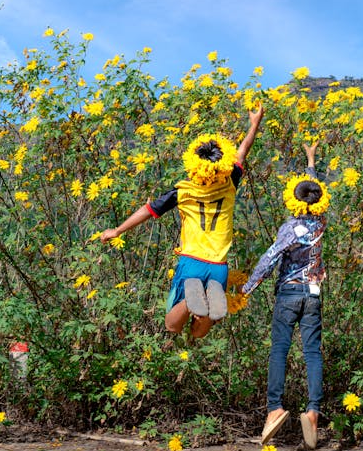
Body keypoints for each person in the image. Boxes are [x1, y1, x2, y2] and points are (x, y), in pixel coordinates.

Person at [100, 106, 264, 339]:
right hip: (219, 266)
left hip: (192, 262)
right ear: (222, 165)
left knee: (172, 326)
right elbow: (242, 153)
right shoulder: (230, 184)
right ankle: (205, 301)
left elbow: (148, 210)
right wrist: (255, 124)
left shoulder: (183, 191)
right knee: (199, 333)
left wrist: (117, 230)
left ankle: (189, 301)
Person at [241, 142, 330, 450]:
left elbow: (269, 259)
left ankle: (275, 408)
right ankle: (314, 410)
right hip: (313, 295)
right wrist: (311, 160)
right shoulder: (320, 222)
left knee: (279, 351)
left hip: (289, 295)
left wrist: (246, 289)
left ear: (294, 199)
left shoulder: (290, 228)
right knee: (312, 354)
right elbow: (314, 189)